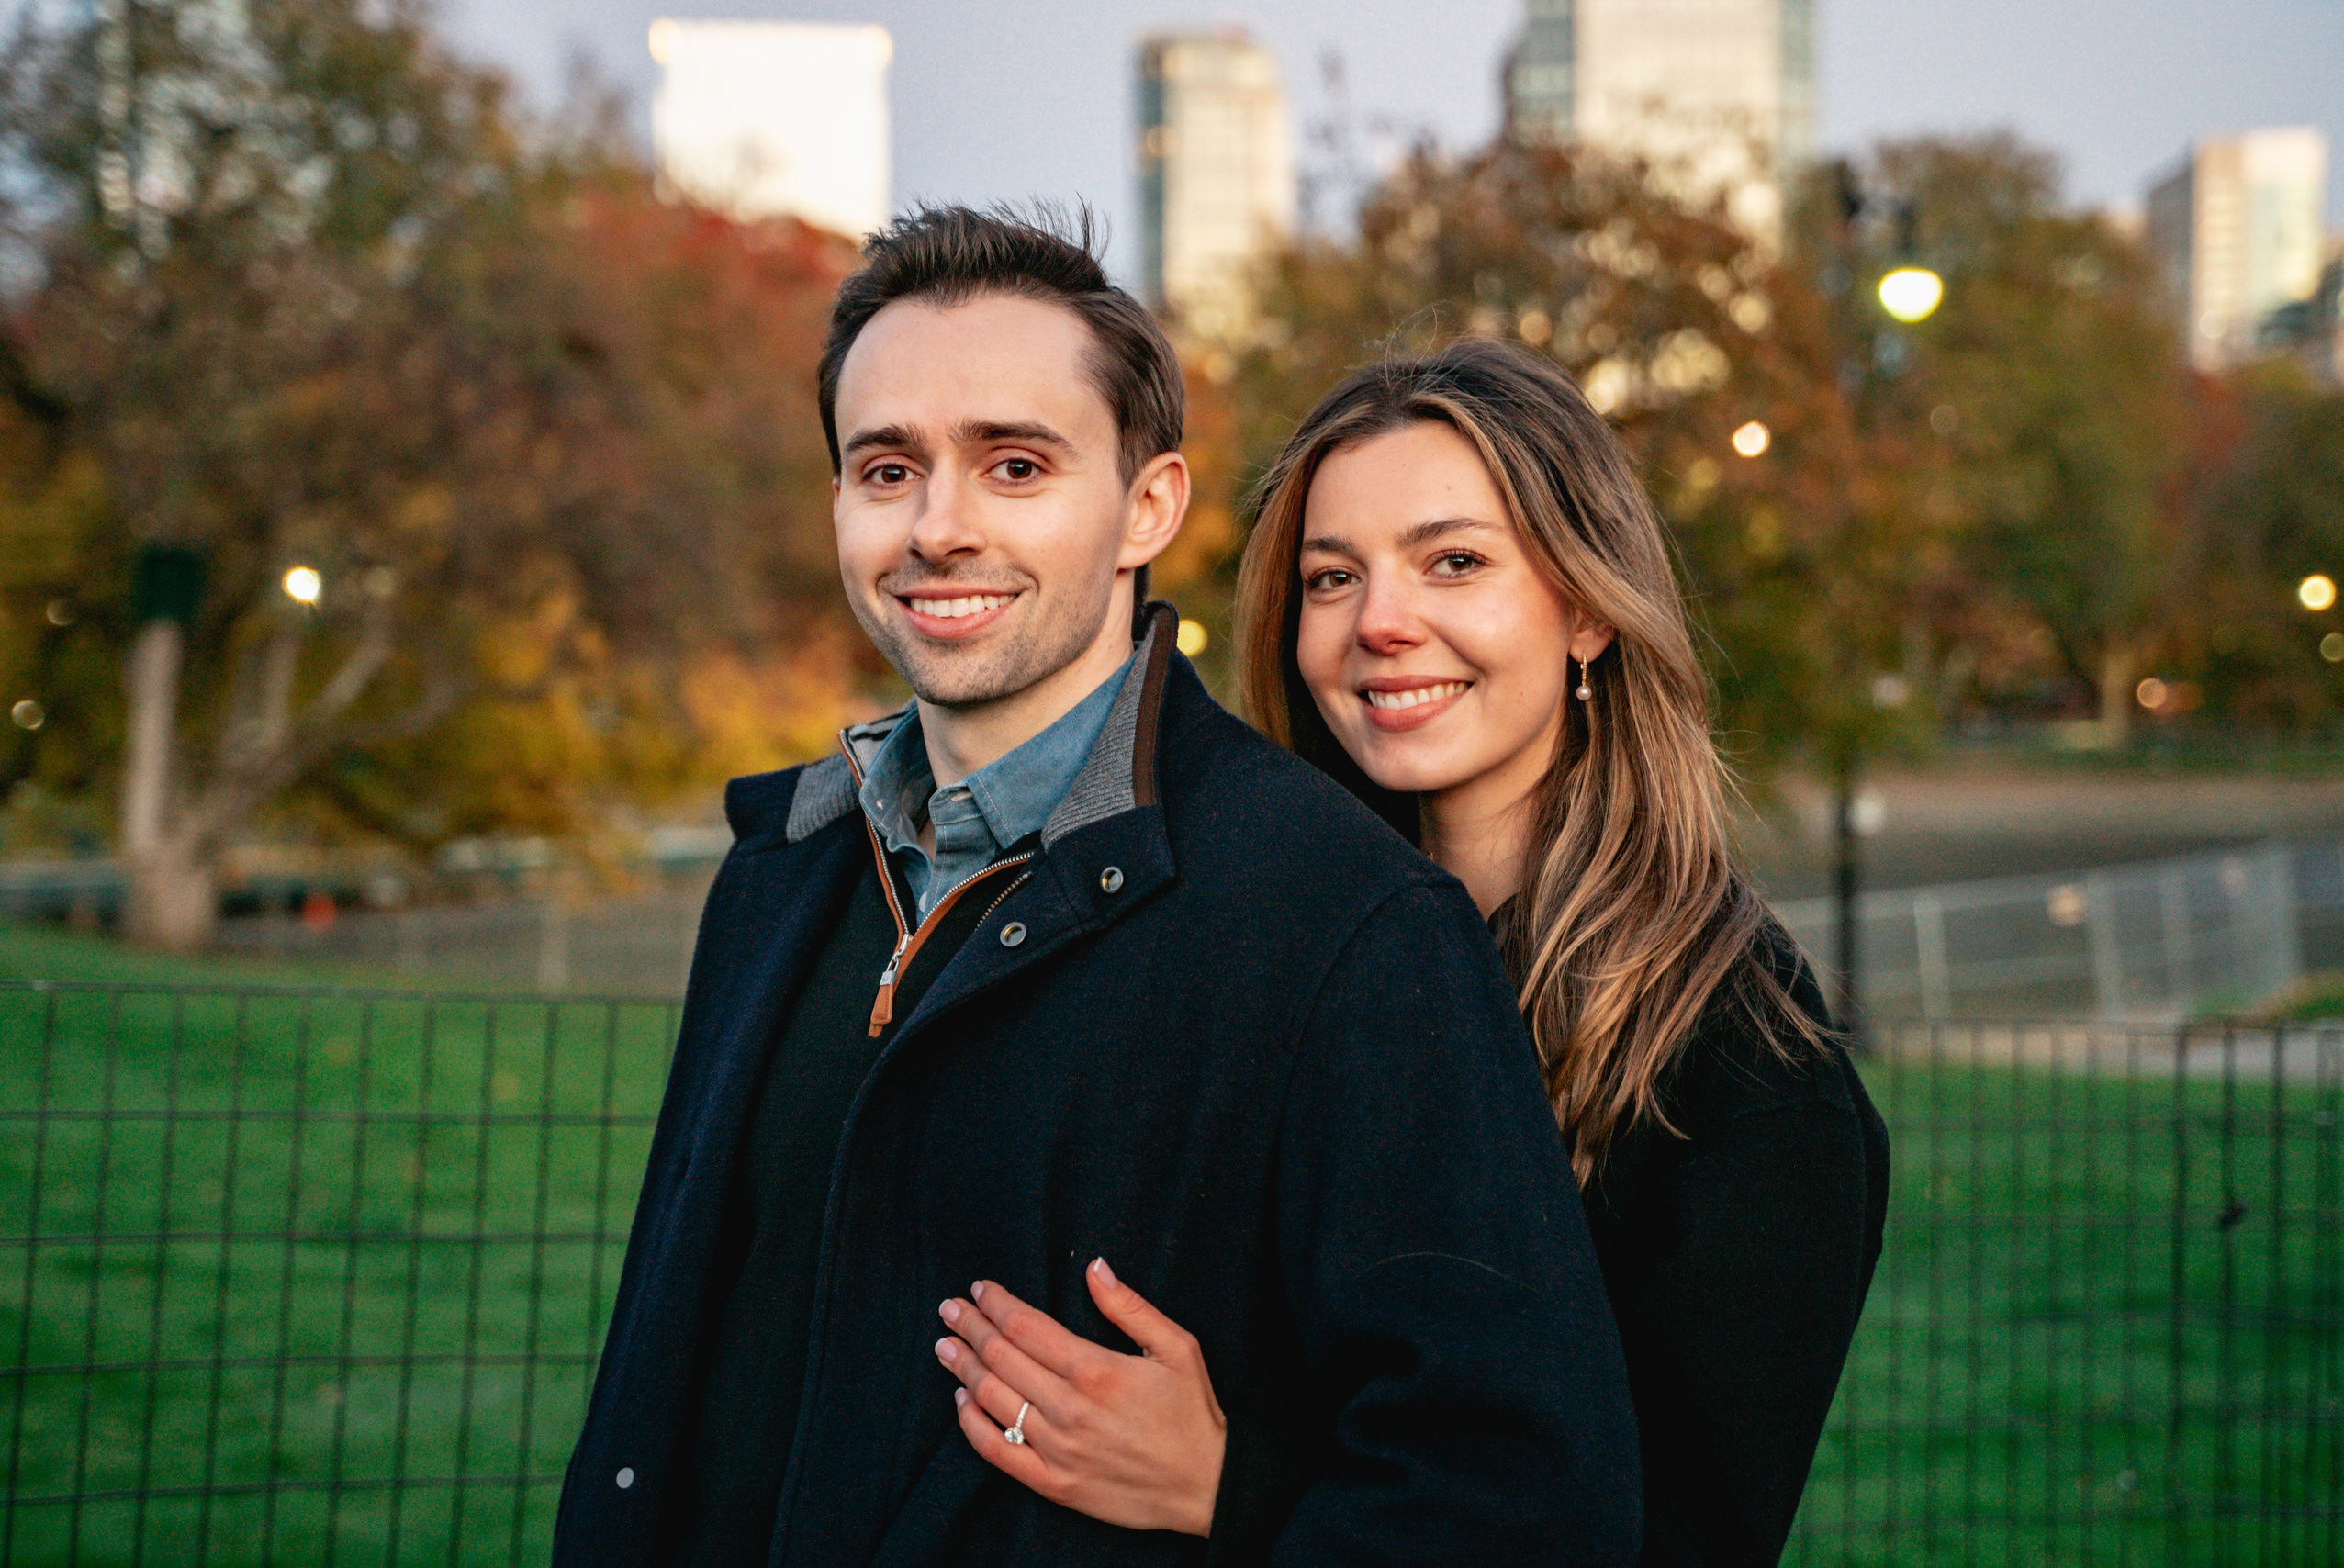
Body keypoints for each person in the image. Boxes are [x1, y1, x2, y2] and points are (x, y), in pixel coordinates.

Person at [551, 211, 1643, 1567]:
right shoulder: (780, 869)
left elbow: (1516, 1499)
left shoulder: (1338, 922)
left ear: (1147, 507)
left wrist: (1245, 1498)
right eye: (886, 469)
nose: (939, 528)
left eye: (1014, 465)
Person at [940, 339, 1889, 1566]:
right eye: (1332, 579)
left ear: (1589, 606)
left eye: (1454, 562)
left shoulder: (1744, 1070)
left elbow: (1641, 1538)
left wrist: (1232, 1484)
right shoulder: (1273, 950)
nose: (1382, 623)